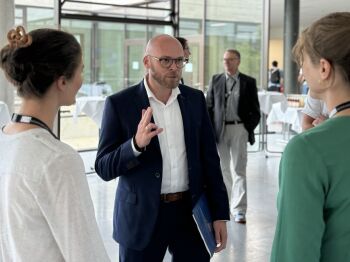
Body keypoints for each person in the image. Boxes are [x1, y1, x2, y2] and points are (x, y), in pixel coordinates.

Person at [95, 34, 230, 262]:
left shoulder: (195, 100)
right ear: (147, 62)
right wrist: (135, 145)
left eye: (180, 60)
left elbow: (210, 161)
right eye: (166, 61)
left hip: (191, 214)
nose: (174, 67)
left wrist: (219, 214)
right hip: (141, 217)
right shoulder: (120, 104)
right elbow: (103, 167)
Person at [0, 27, 110, 261]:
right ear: (62, 81)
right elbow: (86, 254)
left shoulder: (4, 142)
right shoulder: (57, 159)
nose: (82, 80)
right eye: (80, 70)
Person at [271, 12, 350, 262]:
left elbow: (295, 253)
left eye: (304, 64)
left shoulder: (307, 151)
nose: (302, 75)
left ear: (324, 68)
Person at [206, 49, 260, 223]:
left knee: (239, 169)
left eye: (230, 60)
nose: (226, 63)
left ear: (238, 61)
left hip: (239, 129)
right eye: (224, 60)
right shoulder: (216, 80)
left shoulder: (248, 82)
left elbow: (255, 109)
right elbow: (209, 107)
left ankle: (239, 210)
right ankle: (225, 206)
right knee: (222, 170)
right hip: (220, 130)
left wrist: (247, 127)